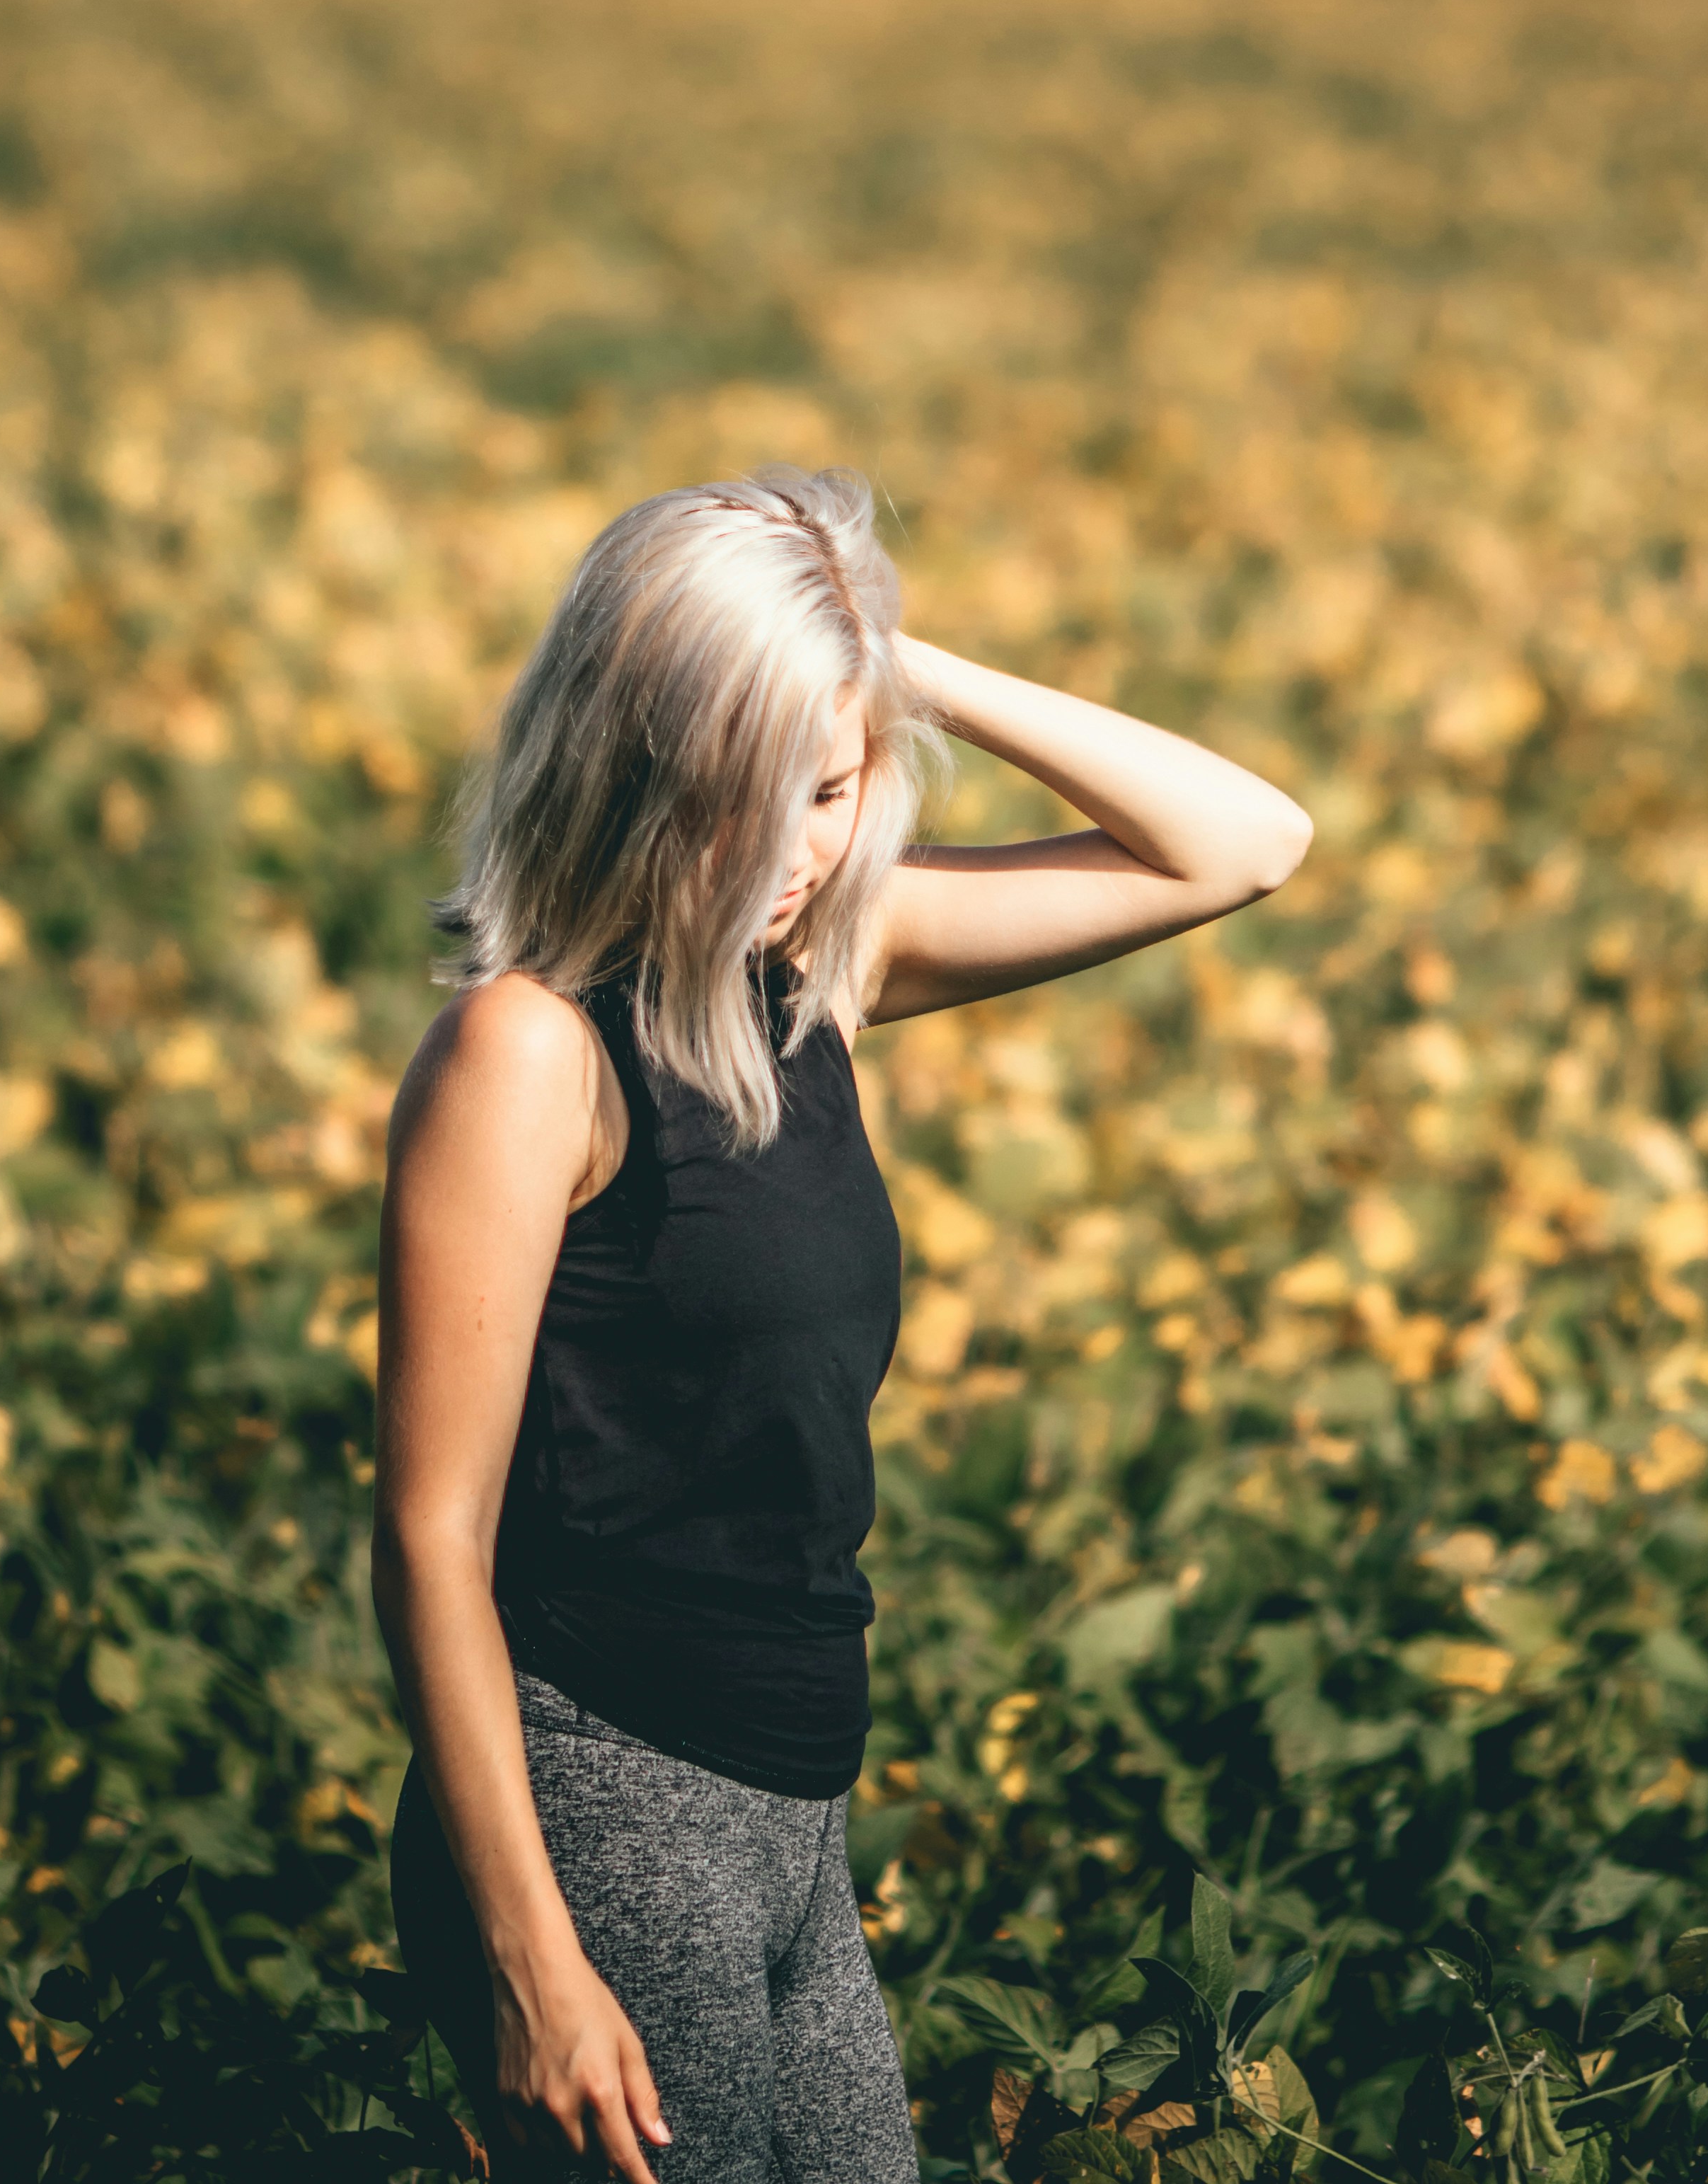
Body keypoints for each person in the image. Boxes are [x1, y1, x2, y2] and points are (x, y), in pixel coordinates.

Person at [373, 469, 1312, 2181]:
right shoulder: (528, 1055)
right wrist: (531, 1964)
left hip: (797, 1801)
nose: (799, 851)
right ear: (632, 768)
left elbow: (1244, 845)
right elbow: (432, 1540)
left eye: (831, 787)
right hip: (605, 1796)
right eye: (747, 797)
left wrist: (880, 654)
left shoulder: (816, 975)